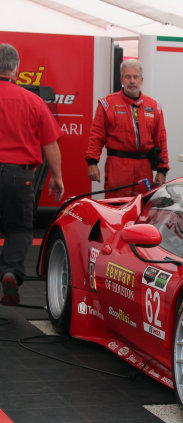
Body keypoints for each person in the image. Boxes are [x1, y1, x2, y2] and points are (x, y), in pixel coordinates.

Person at [0, 43, 64, 306]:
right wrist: (57, 177)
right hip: (19, 176)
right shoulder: (33, 101)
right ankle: (10, 273)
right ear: (16, 69)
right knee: (19, 230)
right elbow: (50, 144)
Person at [86, 58, 169, 199]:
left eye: (135, 77)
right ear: (121, 80)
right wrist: (92, 163)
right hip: (118, 167)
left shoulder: (154, 107)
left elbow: (161, 139)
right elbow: (96, 136)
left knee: (142, 209)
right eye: (128, 77)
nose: (132, 81)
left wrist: (162, 170)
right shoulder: (107, 104)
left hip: (144, 168)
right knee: (116, 208)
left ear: (141, 80)